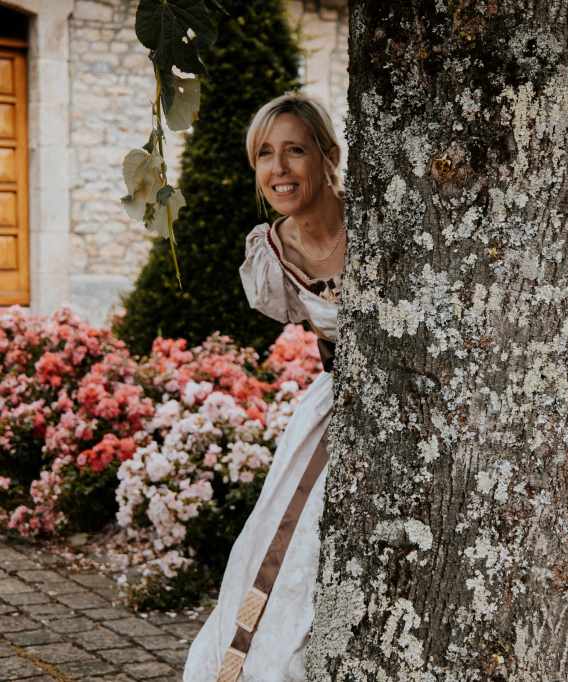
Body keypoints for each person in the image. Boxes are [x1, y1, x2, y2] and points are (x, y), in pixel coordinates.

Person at [183, 92, 345, 682]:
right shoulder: (271, 253)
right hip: (334, 413)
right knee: (284, 557)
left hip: (413, 406)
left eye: (295, 151)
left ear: (328, 156)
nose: (279, 170)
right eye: (265, 155)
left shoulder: (379, 222)